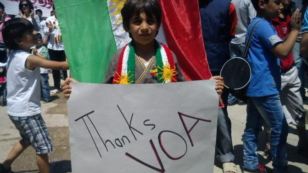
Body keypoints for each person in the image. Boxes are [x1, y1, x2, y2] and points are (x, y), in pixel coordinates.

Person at [0, 18, 69, 173]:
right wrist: (74, 59)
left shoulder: (14, 54)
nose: (35, 33)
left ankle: (4, 166)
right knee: (42, 147)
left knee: (26, 140)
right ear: (19, 40)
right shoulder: (28, 58)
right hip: (27, 112)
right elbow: (60, 65)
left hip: (15, 110)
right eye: (30, 32)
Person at [243, 0, 301, 171]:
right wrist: (295, 29)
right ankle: (280, 165)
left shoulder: (256, 23)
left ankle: (250, 162)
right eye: (276, 2)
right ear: (262, 4)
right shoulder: (263, 26)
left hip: (255, 85)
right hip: (264, 87)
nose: (281, 7)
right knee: (280, 127)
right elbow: (283, 51)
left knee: (252, 127)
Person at [199, 0, 238, 172]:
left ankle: (226, 155)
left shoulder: (227, 6)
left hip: (218, 65)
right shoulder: (182, 6)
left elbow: (231, 33)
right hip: (189, 66)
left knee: (220, 111)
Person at [228, 0, 256, 105]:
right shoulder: (246, 1)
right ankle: (243, 96)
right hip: (245, 40)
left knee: (234, 70)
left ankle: (234, 96)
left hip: (232, 39)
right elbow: (253, 20)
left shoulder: (230, 1)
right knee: (246, 70)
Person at [45, 7, 67, 91]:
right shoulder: (49, 19)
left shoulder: (65, 19)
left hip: (63, 48)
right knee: (55, 68)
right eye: (56, 8)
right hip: (52, 48)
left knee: (64, 68)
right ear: (54, 10)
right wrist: (49, 29)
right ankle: (57, 86)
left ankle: (66, 85)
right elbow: (45, 32)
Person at [33, 33, 52, 102]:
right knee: (38, 85)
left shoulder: (43, 48)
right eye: (36, 40)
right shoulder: (34, 49)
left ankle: (47, 97)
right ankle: (41, 97)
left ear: (41, 40)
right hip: (36, 70)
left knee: (45, 85)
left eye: (39, 40)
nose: (38, 42)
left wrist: (36, 54)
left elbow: (45, 58)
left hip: (43, 71)